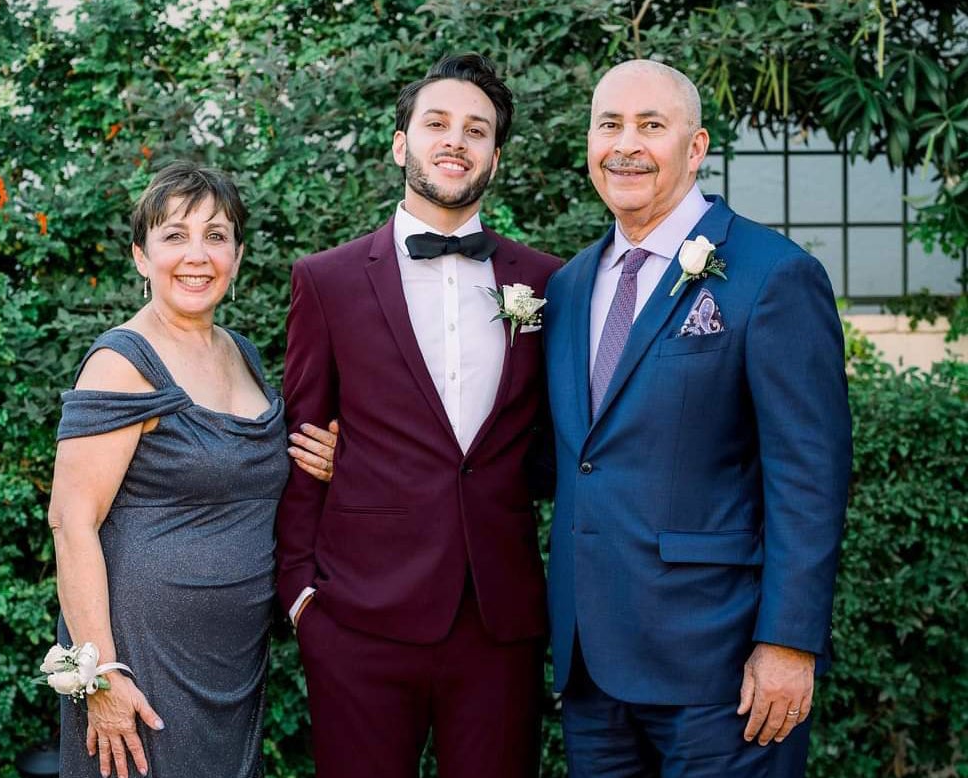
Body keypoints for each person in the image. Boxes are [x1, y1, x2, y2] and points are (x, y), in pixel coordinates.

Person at [542, 59, 852, 777]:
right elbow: (557, 458)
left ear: (697, 146)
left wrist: (789, 643)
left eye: (652, 126)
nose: (627, 144)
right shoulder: (567, 287)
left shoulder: (772, 276)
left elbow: (809, 476)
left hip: (723, 672)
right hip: (591, 670)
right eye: (609, 124)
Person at [276, 53, 561, 778]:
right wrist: (302, 597)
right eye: (437, 123)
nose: (455, 141)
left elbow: (556, 443)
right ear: (402, 142)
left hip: (499, 622)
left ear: (496, 155)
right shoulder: (327, 281)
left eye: (476, 130)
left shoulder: (546, 281)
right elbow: (301, 445)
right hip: (359, 619)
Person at [48, 162, 325, 778]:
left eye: (216, 235)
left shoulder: (242, 353)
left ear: (238, 254)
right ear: (141, 258)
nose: (197, 255)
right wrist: (101, 675)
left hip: (233, 659)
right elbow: (71, 521)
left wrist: (333, 463)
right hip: (143, 659)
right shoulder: (123, 362)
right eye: (174, 235)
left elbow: (256, 476)